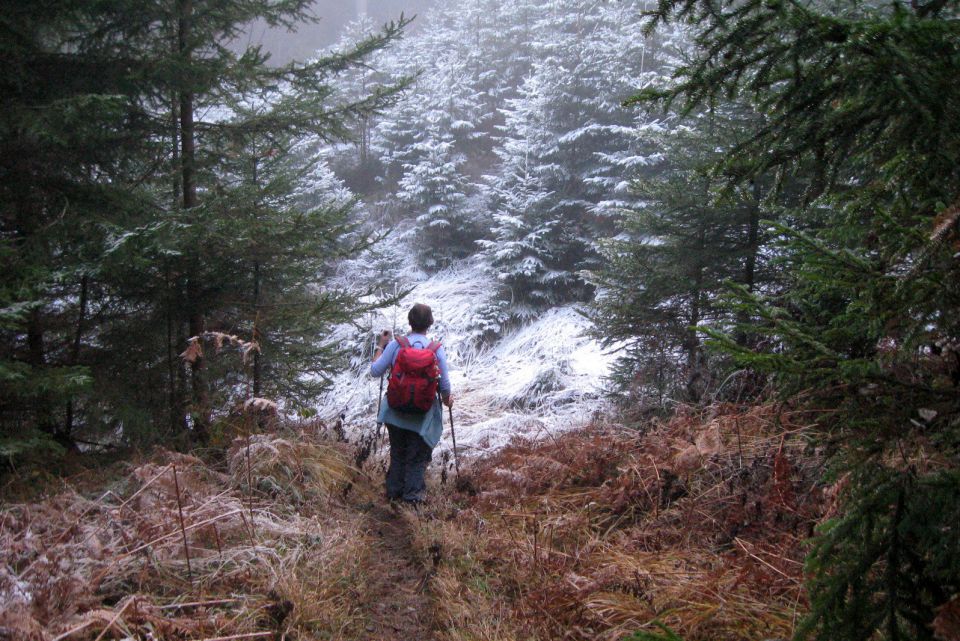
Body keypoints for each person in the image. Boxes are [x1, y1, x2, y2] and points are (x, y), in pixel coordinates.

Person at [370, 303, 453, 504]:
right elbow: (445, 385)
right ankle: (412, 500)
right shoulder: (435, 349)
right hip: (422, 414)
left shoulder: (396, 345)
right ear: (430, 324)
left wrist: (381, 345)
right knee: (416, 458)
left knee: (398, 453)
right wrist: (447, 399)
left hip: (395, 411)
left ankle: (392, 497)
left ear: (409, 321)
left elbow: (375, 371)